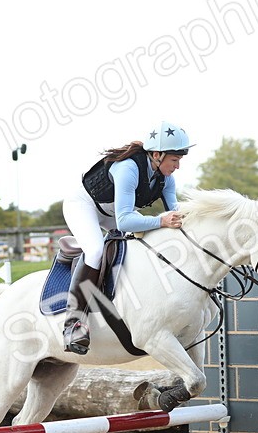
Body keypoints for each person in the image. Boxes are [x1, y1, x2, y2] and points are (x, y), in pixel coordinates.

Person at [60, 121, 193, 354]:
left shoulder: (166, 179)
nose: (178, 166)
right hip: (84, 206)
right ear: (157, 154)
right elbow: (125, 221)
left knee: (142, 244)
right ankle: (74, 321)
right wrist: (161, 220)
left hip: (112, 212)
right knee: (95, 250)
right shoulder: (128, 168)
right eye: (175, 160)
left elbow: (177, 214)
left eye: (179, 160)